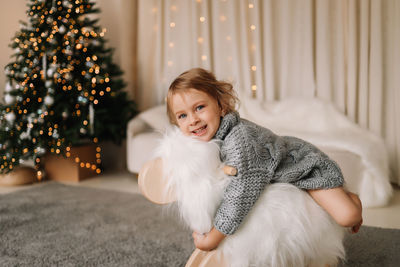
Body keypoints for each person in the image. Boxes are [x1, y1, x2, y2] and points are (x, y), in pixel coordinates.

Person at [166, 68, 363, 252]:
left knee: (348, 217)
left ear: (220, 105)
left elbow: (242, 192)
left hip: (304, 167)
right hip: (278, 164)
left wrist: (214, 237)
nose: (192, 120)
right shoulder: (207, 140)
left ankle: (352, 197)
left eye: (199, 107)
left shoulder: (239, 140)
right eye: (182, 115)